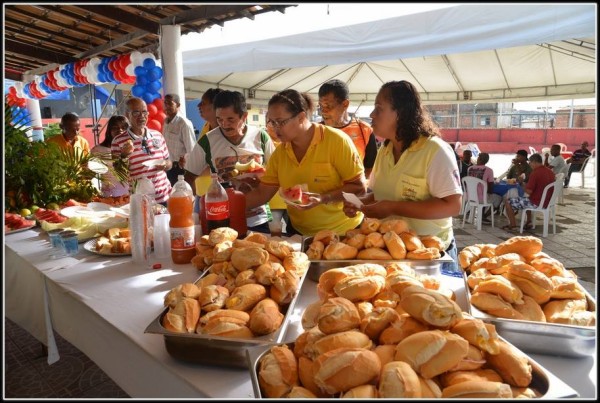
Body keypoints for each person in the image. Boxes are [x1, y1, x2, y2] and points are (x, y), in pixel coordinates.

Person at [342, 80, 462, 274]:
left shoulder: (435, 151)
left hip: (429, 254)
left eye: (378, 108)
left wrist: (392, 207)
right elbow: (374, 193)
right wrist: (359, 203)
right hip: (392, 252)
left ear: (400, 113)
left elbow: (452, 205)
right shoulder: (385, 150)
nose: (372, 115)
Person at [244, 89, 366, 236]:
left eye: (280, 122)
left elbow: (358, 186)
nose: (275, 128)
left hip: (342, 232)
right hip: (298, 234)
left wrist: (324, 198)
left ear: (301, 117)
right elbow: (262, 193)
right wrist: (226, 204)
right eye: (272, 122)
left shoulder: (337, 141)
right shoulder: (280, 154)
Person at [185, 90, 275, 233]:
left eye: (230, 119)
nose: (224, 124)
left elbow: (275, 173)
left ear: (244, 116)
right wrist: (198, 210)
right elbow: (189, 176)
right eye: (220, 119)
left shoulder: (261, 136)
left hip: (258, 218)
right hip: (223, 218)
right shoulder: (207, 141)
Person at [111, 97, 172, 205]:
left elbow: (168, 161)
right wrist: (124, 155)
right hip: (140, 201)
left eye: (144, 112)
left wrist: (166, 164)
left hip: (165, 197)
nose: (142, 116)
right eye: (136, 113)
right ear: (127, 114)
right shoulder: (118, 141)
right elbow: (119, 174)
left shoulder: (158, 135)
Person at [318, 79, 378, 178]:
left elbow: (370, 168)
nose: (323, 111)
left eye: (328, 106)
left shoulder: (364, 130)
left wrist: (358, 188)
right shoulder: (316, 131)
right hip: (323, 192)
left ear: (345, 104)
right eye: (320, 106)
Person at [502, 153, 555, 232]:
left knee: (508, 202)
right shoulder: (550, 171)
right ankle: (529, 221)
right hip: (547, 201)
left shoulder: (535, 173)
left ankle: (513, 225)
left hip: (537, 202)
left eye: (530, 162)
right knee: (526, 198)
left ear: (534, 162)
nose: (530, 164)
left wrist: (521, 183)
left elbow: (528, 191)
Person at [90, 115, 130, 197]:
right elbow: (89, 174)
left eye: (124, 127)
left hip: (130, 195)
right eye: (115, 128)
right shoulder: (98, 150)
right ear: (109, 130)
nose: (120, 130)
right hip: (109, 196)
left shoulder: (132, 148)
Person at [195, 88, 224, 195]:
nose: (198, 106)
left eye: (203, 103)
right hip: (202, 191)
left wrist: (193, 170)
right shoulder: (207, 126)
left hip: (218, 193)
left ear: (215, 106)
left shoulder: (225, 131)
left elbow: (222, 165)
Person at [162, 93, 196, 186]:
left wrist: (188, 169)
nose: (167, 106)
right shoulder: (165, 122)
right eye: (165, 103)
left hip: (180, 168)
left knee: (181, 196)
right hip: (168, 166)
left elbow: (191, 149)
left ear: (178, 105)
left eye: (170, 103)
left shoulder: (184, 123)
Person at [467, 152, 496, 222]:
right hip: (481, 198)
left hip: (470, 196)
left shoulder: (470, 168)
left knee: (485, 194)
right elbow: (491, 185)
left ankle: (477, 214)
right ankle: (483, 215)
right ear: (487, 161)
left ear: (478, 159)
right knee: (497, 198)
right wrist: (490, 192)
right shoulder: (489, 170)